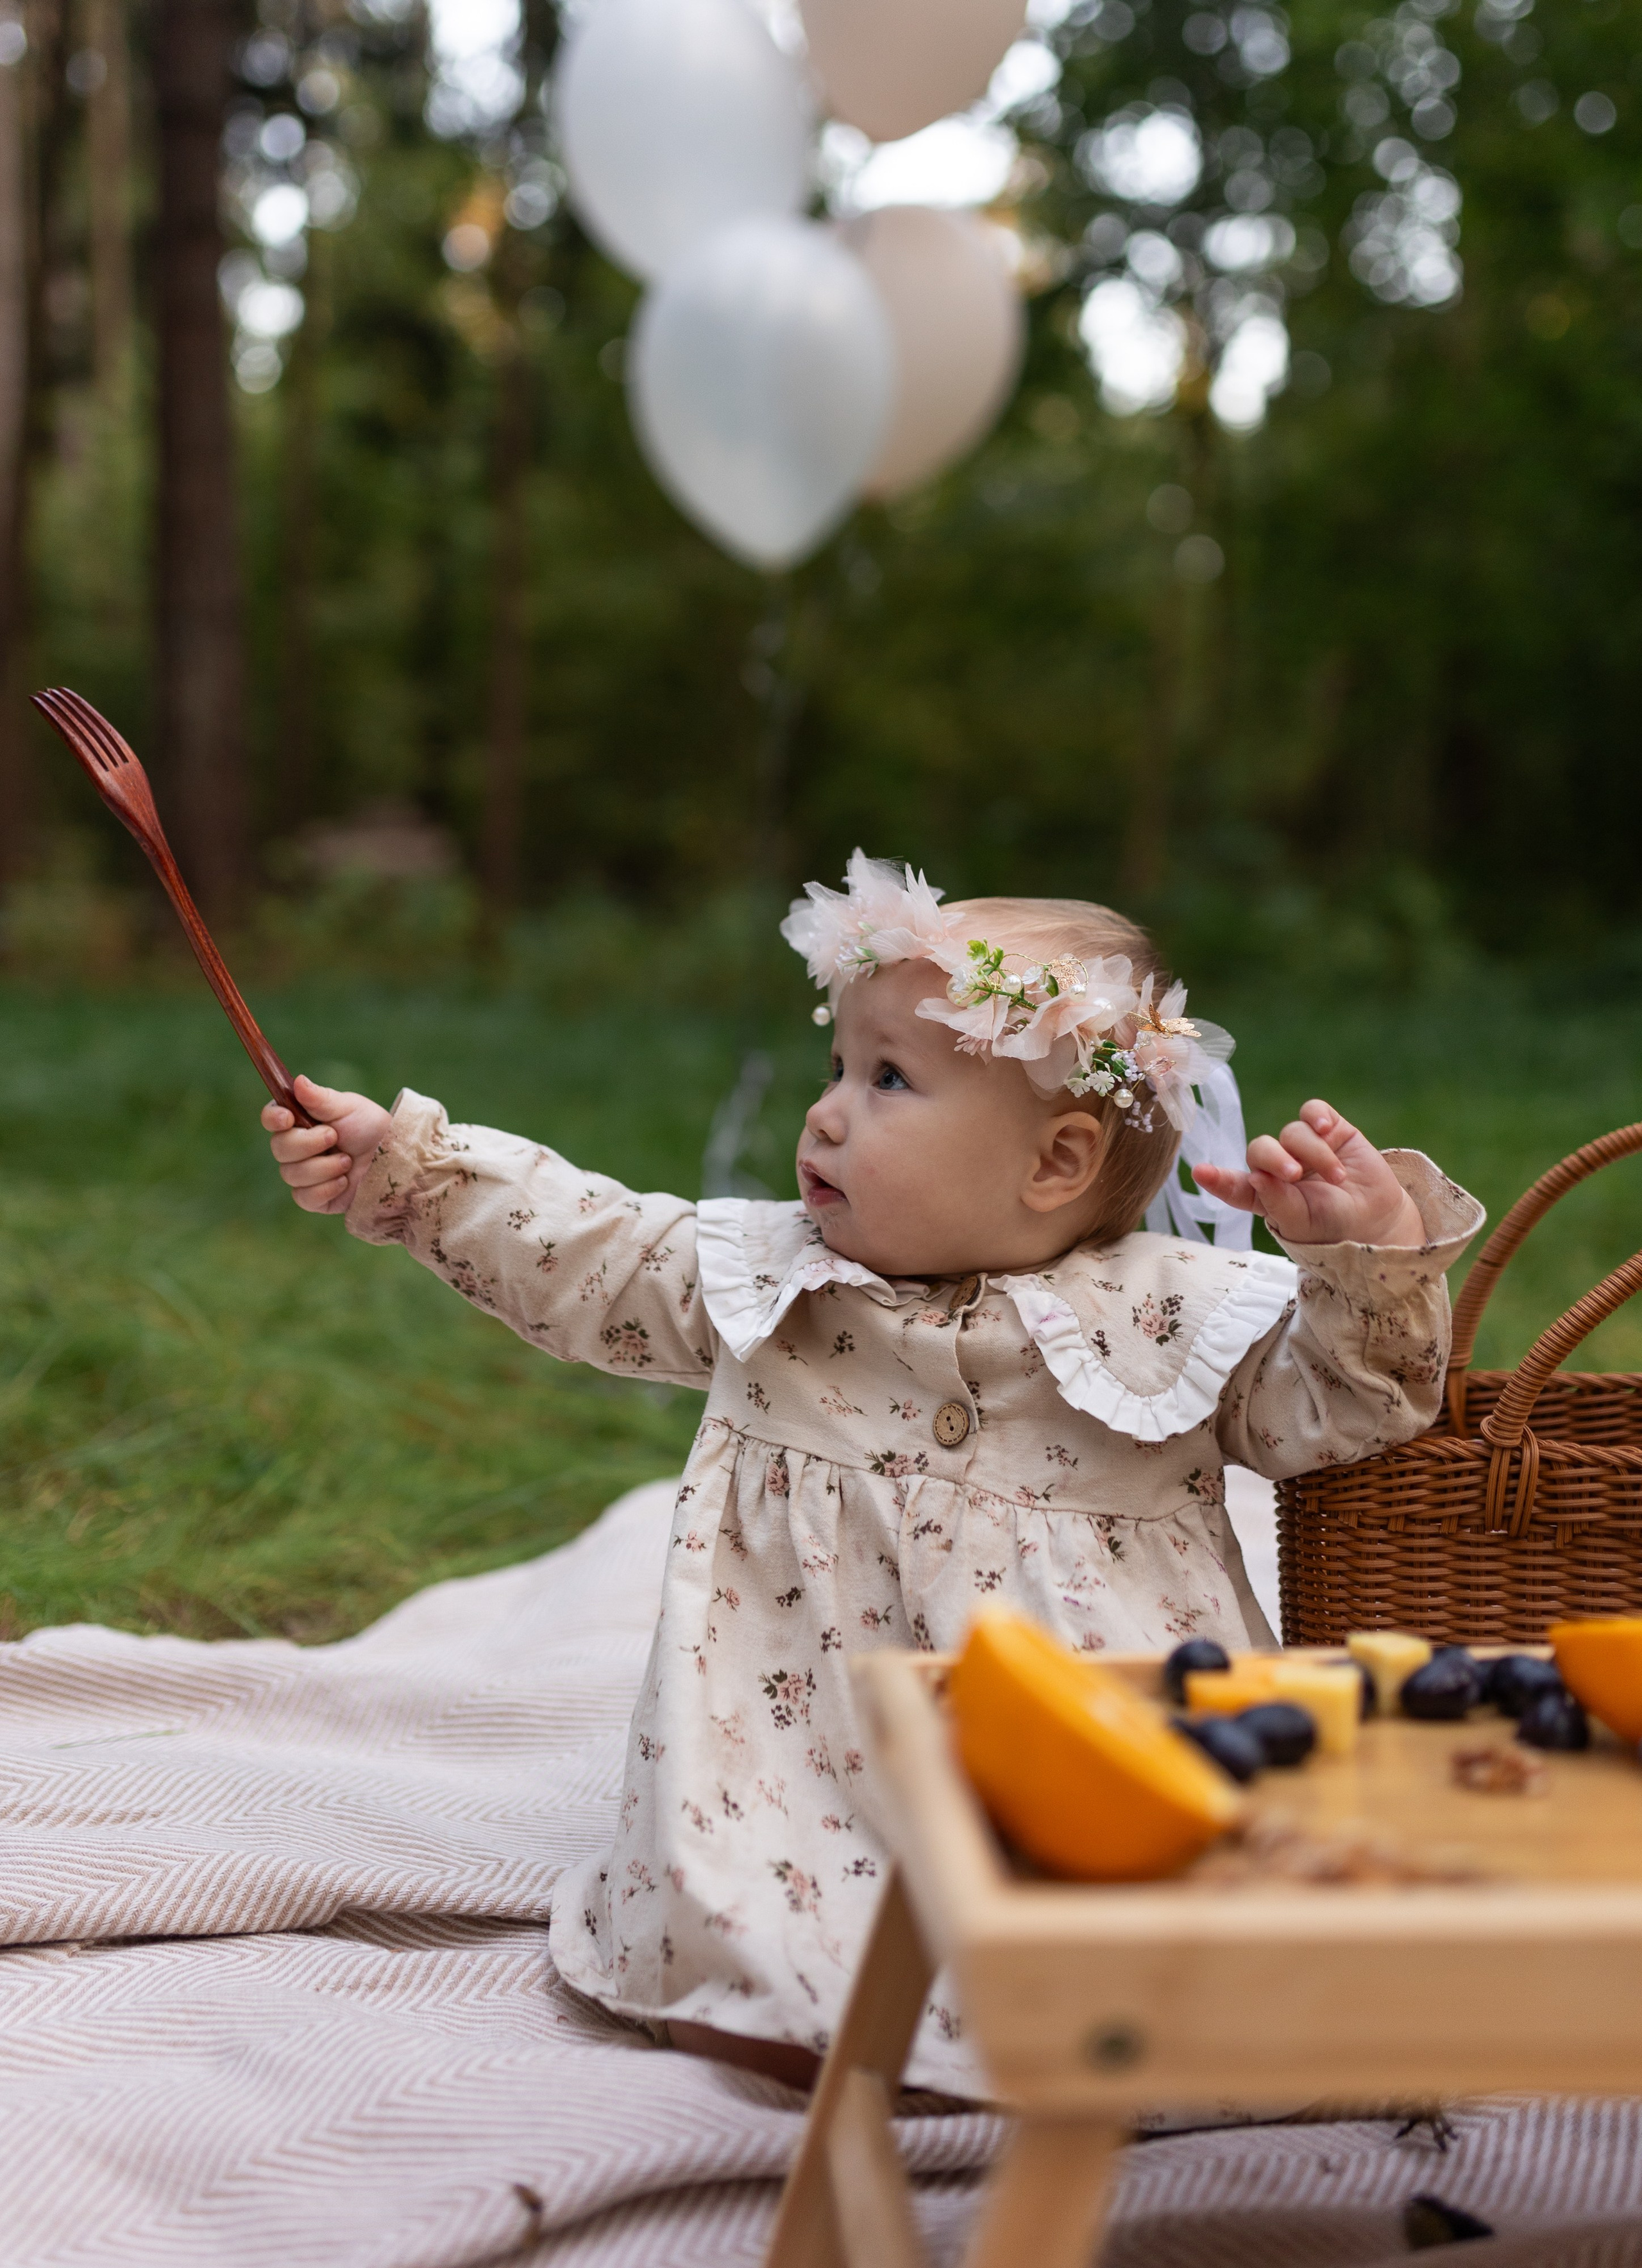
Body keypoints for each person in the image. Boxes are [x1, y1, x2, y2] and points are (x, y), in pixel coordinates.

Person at [262, 852, 1482, 2094]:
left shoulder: (1171, 1317)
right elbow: (587, 1253)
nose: (827, 1112)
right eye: (836, 1067)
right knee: (758, 1951)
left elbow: (1348, 1408)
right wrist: (408, 1170)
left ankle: (1084, 2004)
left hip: (1075, 1742)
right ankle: (776, 1987)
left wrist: (1364, 1262)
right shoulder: (775, 1278)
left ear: (1055, 1163)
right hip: (805, 1745)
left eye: (889, 1079)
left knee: (1149, 1940)